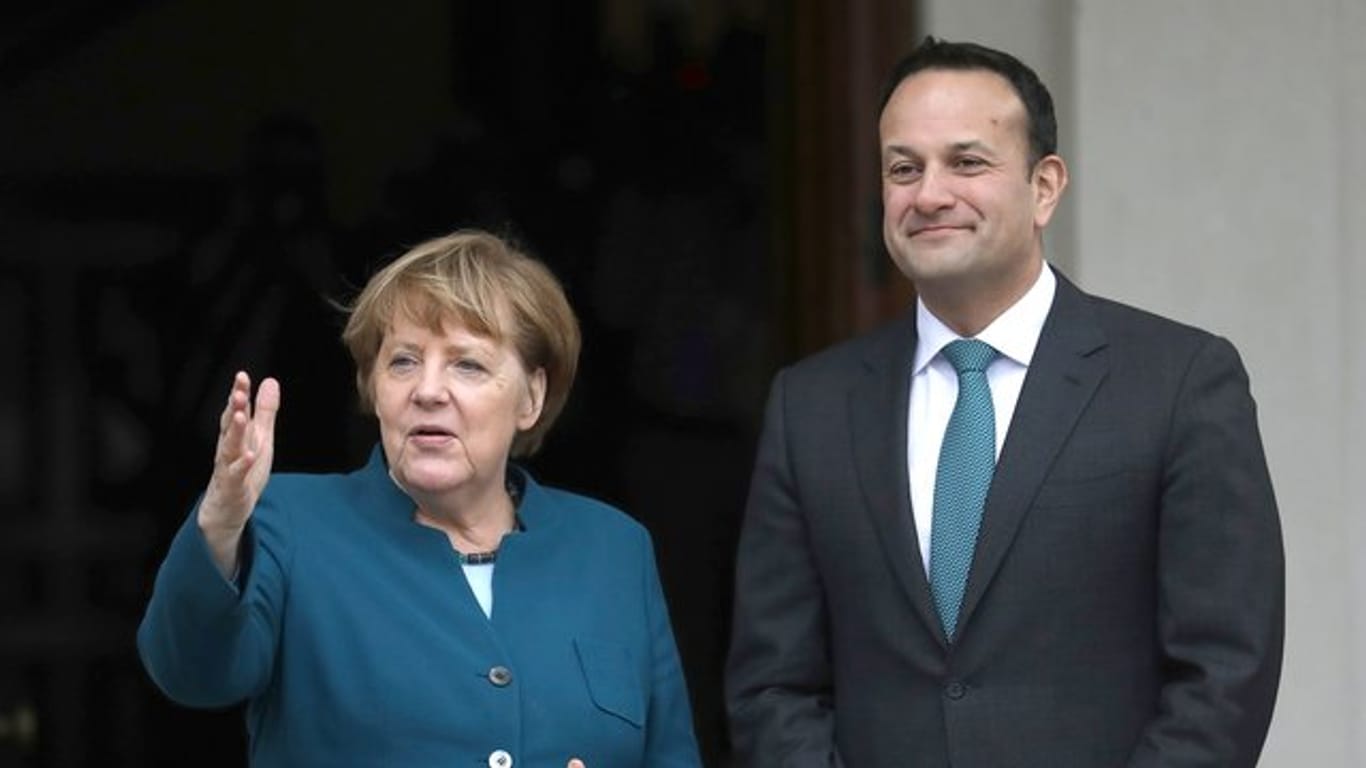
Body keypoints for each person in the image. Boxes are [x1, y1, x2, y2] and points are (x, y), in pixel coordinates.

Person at [725, 36, 1283, 767]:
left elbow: (1224, 674)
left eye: (967, 162)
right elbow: (773, 684)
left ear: (1045, 186)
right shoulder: (812, 406)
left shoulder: (1178, 382)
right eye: (903, 168)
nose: (929, 194)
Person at [138, 229, 703, 767]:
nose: (428, 391)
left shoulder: (613, 549)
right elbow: (192, 673)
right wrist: (220, 520)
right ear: (373, 386)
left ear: (531, 396)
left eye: (467, 363)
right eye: (404, 360)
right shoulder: (290, 525)